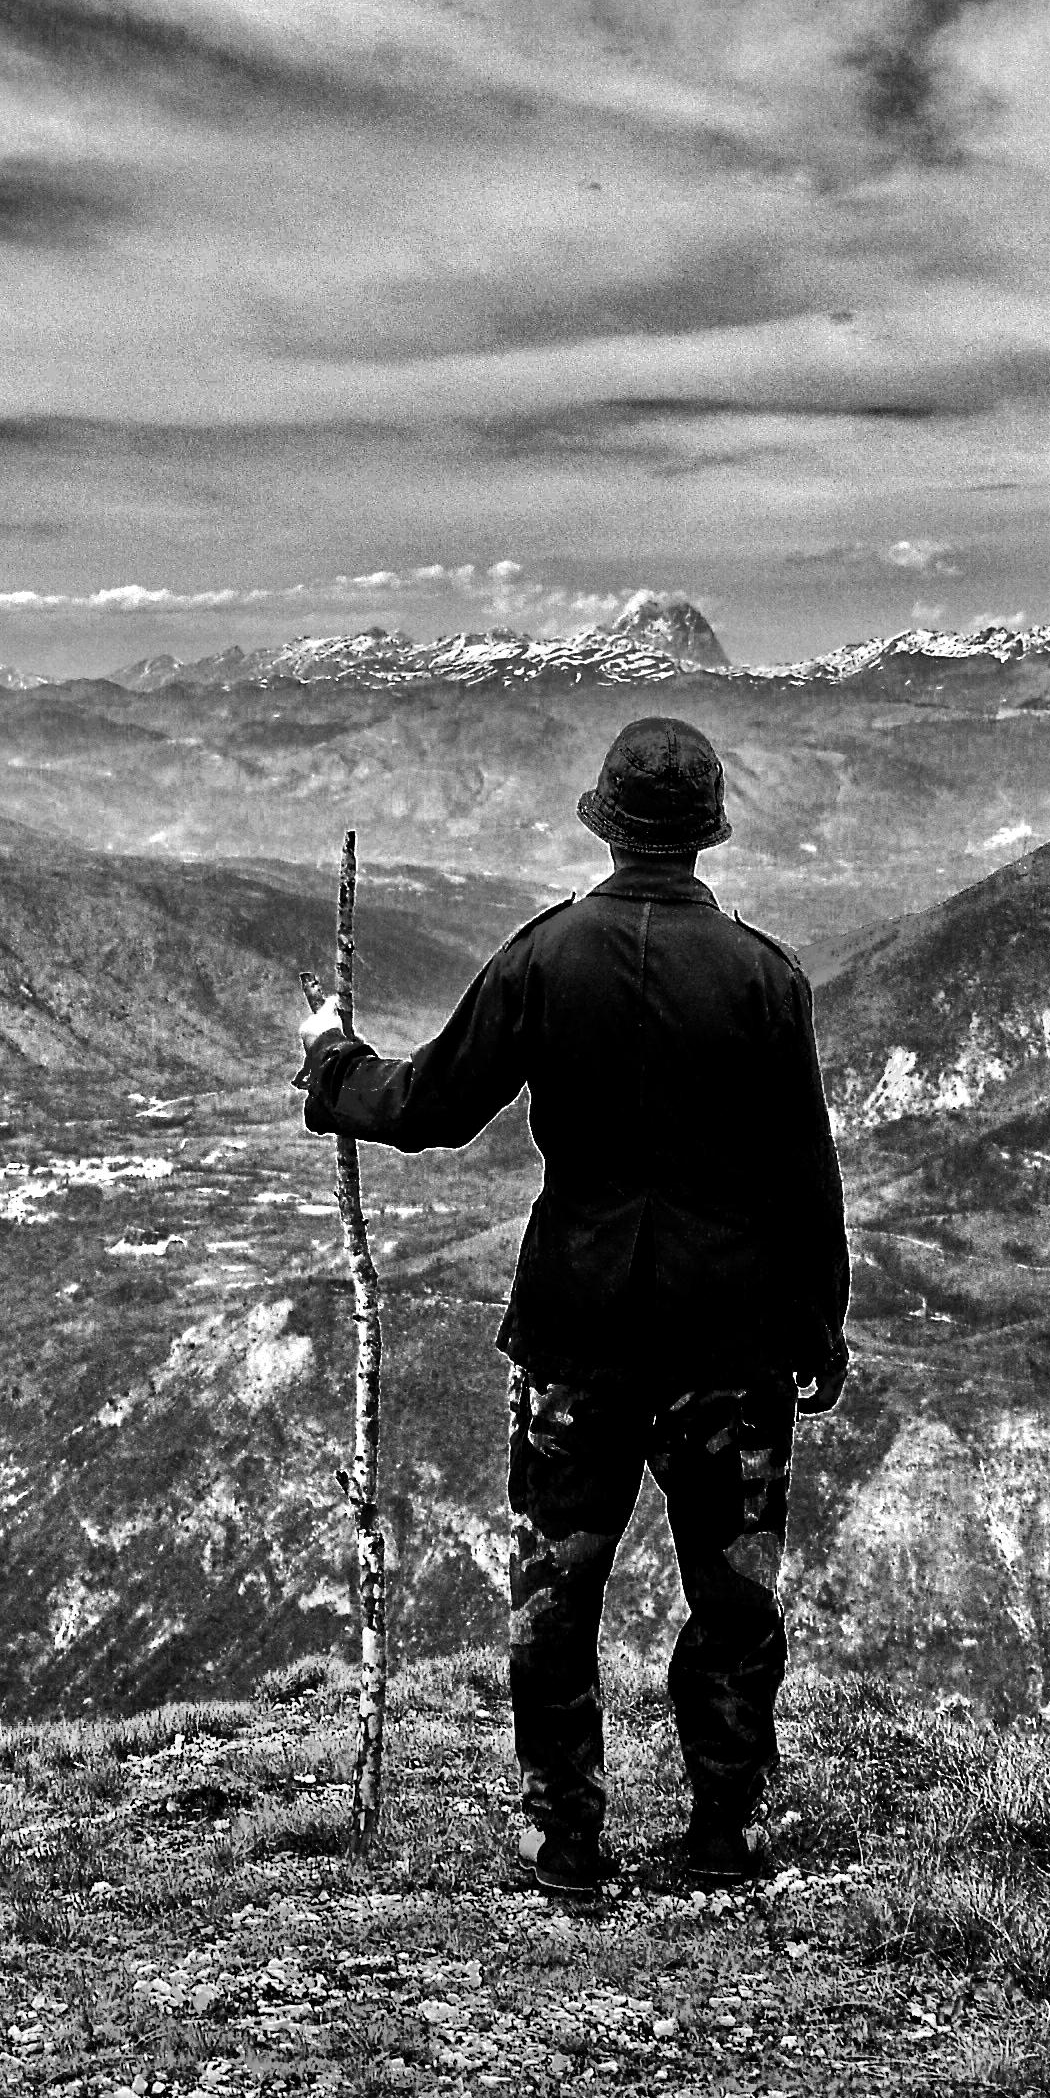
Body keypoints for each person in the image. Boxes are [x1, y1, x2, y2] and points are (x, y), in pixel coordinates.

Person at [294, 716, 851, 1897]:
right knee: (736, 1600)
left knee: (555, 1595)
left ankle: (569, 1847)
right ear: (704, 835)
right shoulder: (766, 976)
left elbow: (433, 1105)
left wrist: (334, 1067)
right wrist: (819, 1319)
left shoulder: (547, 956)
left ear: (605, 824)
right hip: (733, 1340)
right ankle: (726, 1836)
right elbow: (806, 1169)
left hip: (577, 1332)